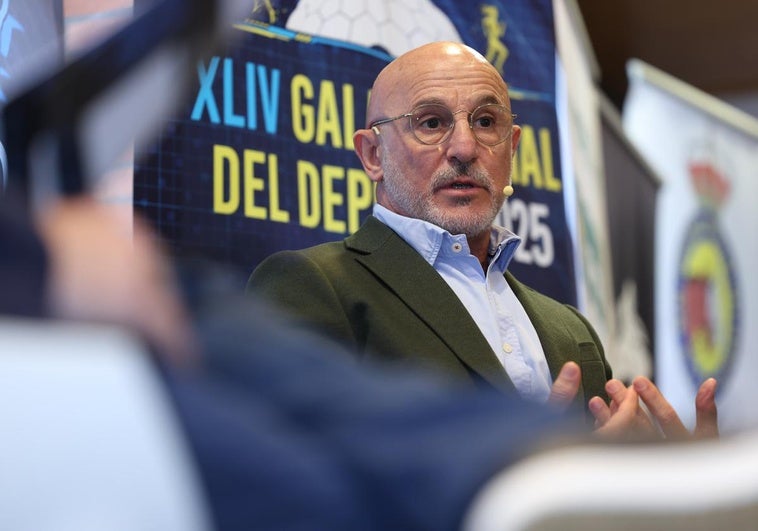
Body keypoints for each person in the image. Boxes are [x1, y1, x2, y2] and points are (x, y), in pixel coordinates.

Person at [247, 41, 604, 413]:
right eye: (431, 122)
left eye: (485, 122)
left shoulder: (572, 328)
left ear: (511, 149)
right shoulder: (311, 284)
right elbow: (293, 457)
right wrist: (531, 456)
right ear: (373, 155)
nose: (464, 148)